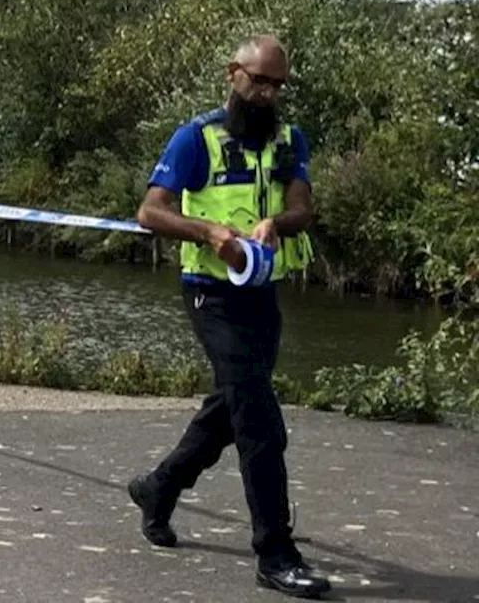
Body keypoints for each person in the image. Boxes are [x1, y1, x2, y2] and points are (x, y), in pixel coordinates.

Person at [128, 35, 331, 598]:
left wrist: (276, 226)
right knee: (260, 421)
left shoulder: (290, 140)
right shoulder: (197, 138)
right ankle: (275, 553)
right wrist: (211, 232)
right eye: (258, 80)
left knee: (232, 406)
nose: (267, 93)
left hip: (261, 292)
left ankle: (159, 487)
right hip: (209, 294)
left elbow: (302, 207)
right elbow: (150, 211)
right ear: (233, 75)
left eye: (277, 84)